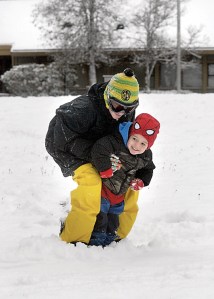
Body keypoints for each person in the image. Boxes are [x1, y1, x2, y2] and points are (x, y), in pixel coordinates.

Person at [45, 68, 140, 244]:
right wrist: (98, 158)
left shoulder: (124, 111)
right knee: (92, 182)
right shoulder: (83, 110)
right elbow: (61, 140)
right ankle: (74, 238)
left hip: (101, 148)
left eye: (129, 108)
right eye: (117, 106)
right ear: (107, 97)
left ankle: (115, 233)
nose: (122, 112)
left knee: (125, 183)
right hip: (66, 146)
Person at [89, 113, 160, 246]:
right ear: (130, 133)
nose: (137, 146)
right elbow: (99, 149)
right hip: (103, 189)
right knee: (101, 217)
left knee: (113, 221)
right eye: (134, 138)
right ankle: (95, 240)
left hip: (119, 196)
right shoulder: (115, 142)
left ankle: (109, 241)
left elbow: (148, 169)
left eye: (143, 143)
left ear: (148, 146)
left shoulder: (145, 156)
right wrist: (104, 169)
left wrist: (141, 181)